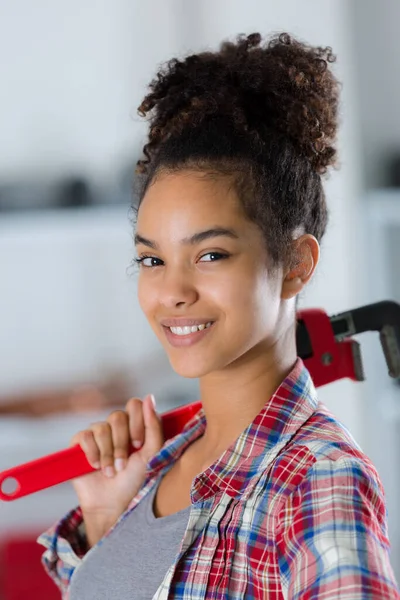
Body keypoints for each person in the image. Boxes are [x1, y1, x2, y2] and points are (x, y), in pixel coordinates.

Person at [38, 32, 400, 599]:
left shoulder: (316, 479)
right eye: (152, 259)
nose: (172, 291)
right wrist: (109, 525)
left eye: (211, 254)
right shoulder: (157, 470)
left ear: (296, 263)